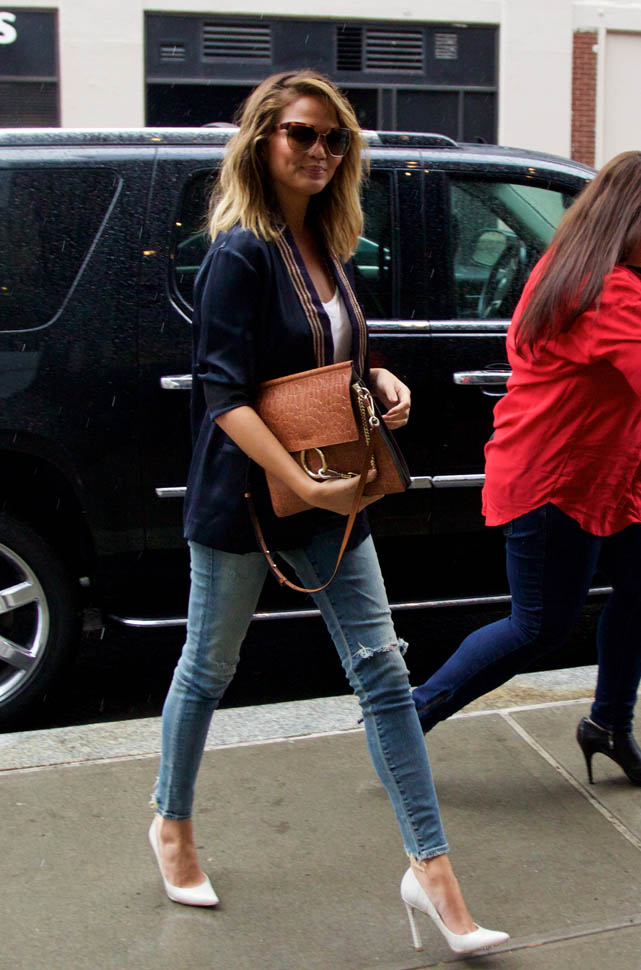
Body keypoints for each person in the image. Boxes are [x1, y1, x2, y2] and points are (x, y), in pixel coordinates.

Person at [147, 70, 508, 956]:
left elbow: (327, 352)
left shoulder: (326, 241)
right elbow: (224, 395)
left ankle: (433, 874)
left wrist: (376, 377)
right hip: (248, 498)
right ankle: (172, 824)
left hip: (334, 486)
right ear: (262, 142)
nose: (319, 151)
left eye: (333, 138)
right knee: (207, 668)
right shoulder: (240, 251)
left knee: (382, 673)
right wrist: (300, 486)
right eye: (301, 134)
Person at [413, 151, 641, 789]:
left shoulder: (575, 265)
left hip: (610, 476)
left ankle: (609, 724)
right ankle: (402, 718)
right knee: (538, 626)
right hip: (558, 480)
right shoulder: (609, 291)